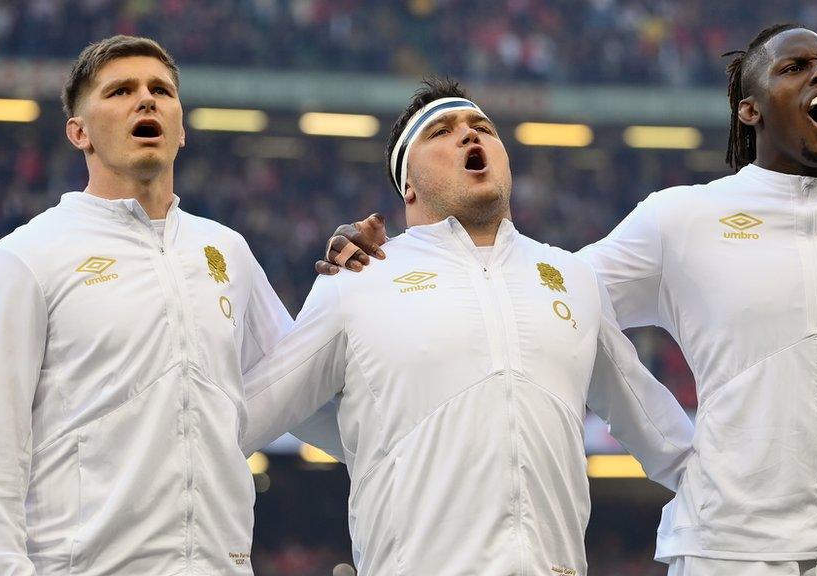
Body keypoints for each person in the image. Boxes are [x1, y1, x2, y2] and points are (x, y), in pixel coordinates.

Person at [323, 25, 817, 576]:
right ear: (750, 108)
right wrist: (399, 259)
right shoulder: (681, 220)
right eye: (795, 67)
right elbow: (533, 295)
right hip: (728, 549)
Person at [241, 77, 695, 576]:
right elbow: (257, 414)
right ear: (407, 183)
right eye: (441, 131)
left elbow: (662, 433)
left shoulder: (572, 277)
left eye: (483, 127)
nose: (469, 135)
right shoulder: (358, 278)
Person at [0, 35, 337, 575]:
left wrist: (352, 292)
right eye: (120, 91)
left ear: (181, 129)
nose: (146, 100)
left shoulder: (226, 251)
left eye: (161, 90)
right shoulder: (21, 261)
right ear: (78, 132)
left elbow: (301, 391)